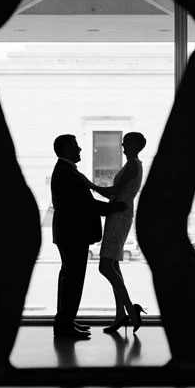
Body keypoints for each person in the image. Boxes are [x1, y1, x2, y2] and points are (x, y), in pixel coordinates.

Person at [51, 134, 124, 340]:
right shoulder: (67, 173)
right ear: (66, 148)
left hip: (68, 234)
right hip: (73, 234)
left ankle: (65, 321)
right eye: (76, 145)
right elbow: (84, 205)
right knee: (73, 281)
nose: (80, 149)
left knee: (68, 279)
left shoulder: (65, 171)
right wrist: (113, 208)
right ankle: (64, 326)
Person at [88, 132, 147, 334]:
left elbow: (115, 191)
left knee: (105, 266)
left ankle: (130, 309)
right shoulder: (135, 164)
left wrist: (90, 185)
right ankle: (120, 313)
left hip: (120, 215)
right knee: (112, 264)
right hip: (121, 213)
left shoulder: (133, 164)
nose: (122, 144)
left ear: (135, 145)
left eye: (126, 141)